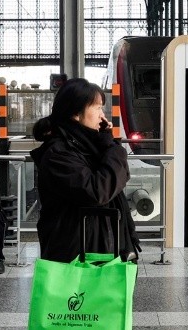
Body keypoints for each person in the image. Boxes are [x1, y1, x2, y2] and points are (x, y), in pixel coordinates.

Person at [30, 78, 140, 263]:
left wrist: (107, 143)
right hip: (76, 255)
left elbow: (115, 178)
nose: (101, 114)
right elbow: (98, 191)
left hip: (100, 247)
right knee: (76, 294)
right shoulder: (58, 154)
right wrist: (113, 148)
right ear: (75, 113)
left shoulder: (90, 147)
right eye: (97, 108)